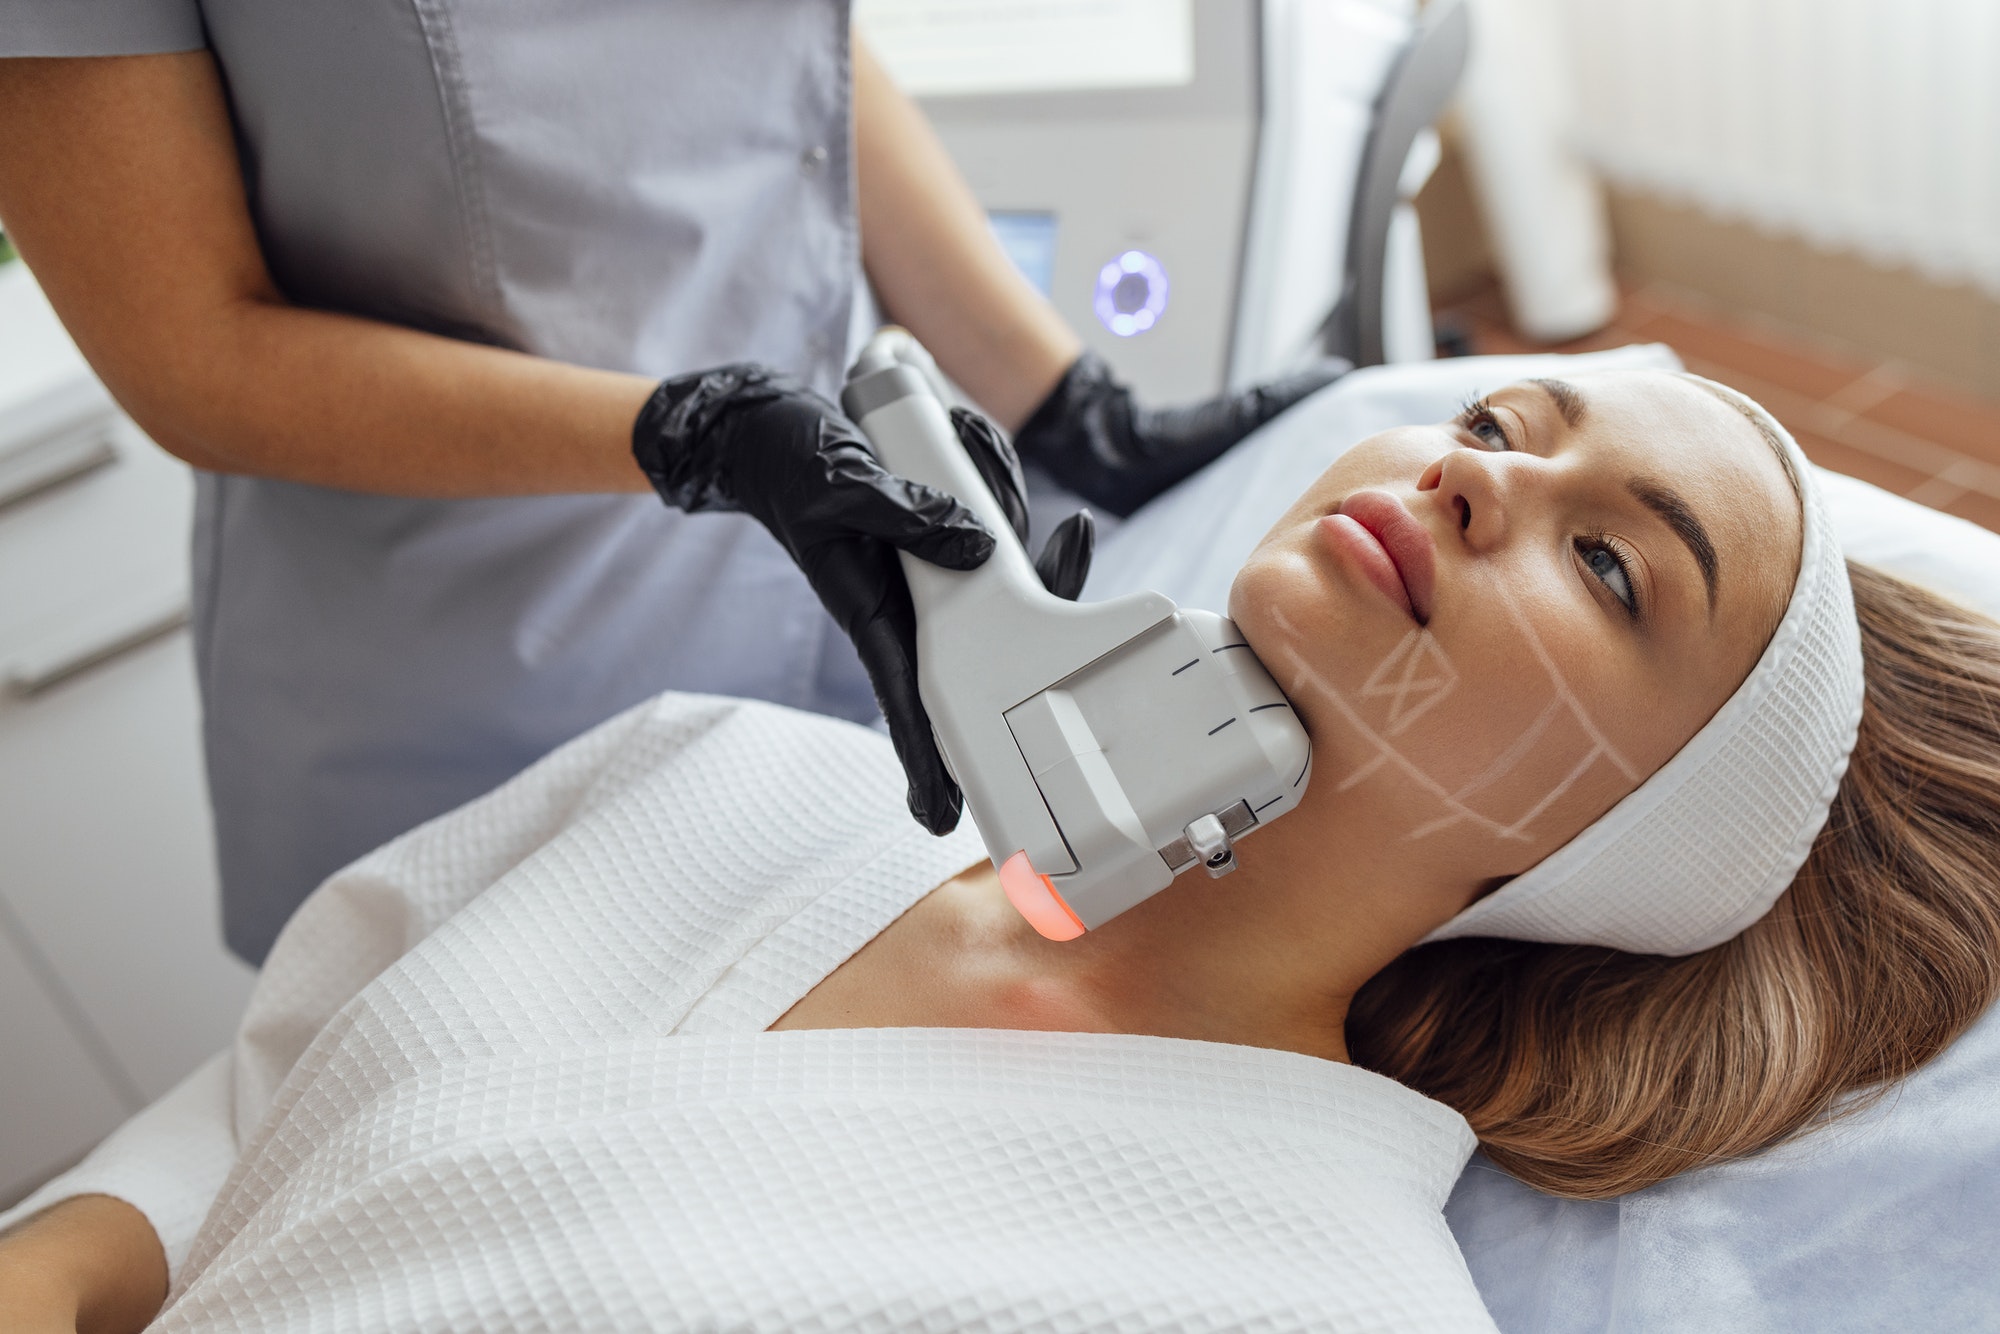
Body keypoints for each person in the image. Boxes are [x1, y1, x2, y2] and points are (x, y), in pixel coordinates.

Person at [5, 371, 1998, 1329]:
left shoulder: (1315, 1303)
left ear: (1624, 845)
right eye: (1498, 417)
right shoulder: (727, 777)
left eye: (1605, 557)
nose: (1477, 474)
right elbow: (218, 1139)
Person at [0, 12, 1341, 965]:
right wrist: (695, 434)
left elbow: (785, 57)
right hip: (478, 677)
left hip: (828, 574)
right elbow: (193, 353)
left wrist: (1066, 407)